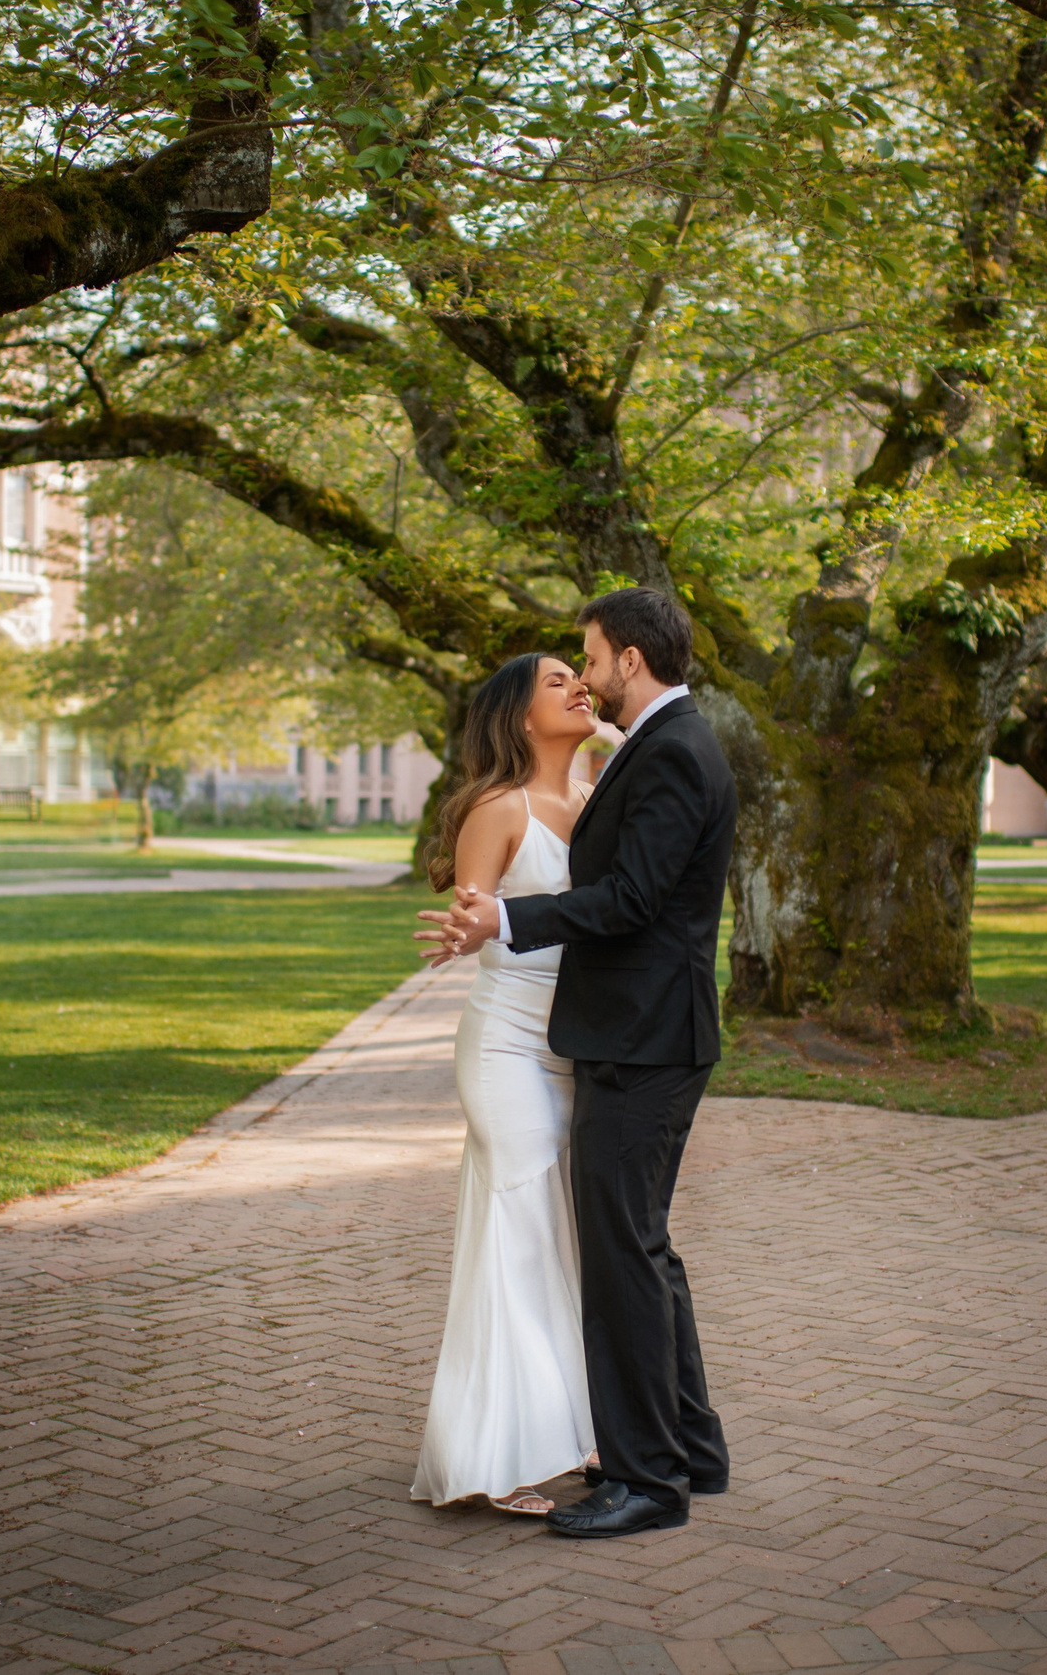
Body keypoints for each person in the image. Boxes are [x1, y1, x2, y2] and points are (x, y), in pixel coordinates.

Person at [422, 587, 736, 1540]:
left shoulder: (667, 750)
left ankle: (649, 1478)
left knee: (624, 1253)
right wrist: (484, 921)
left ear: (631, 659)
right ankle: (687, 1447)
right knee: (635, 1246)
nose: (586, 680)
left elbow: (633, 898)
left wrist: (507, 918)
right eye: (564, 674)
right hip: (583, 1036)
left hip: (639, 1038)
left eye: (590, 659)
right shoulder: (652, 747)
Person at [408, 652, 607, 1515]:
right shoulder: (500, 808)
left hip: (575, 1051)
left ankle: (570, 1427)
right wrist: (464, 930)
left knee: (560, 1241)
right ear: (521, 716)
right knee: (517, 1238)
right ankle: (502, 1455)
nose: (578, 685)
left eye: (579, 673)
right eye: (556, 681)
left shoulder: (595, 796)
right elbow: (475, 910)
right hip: (506, 1050)